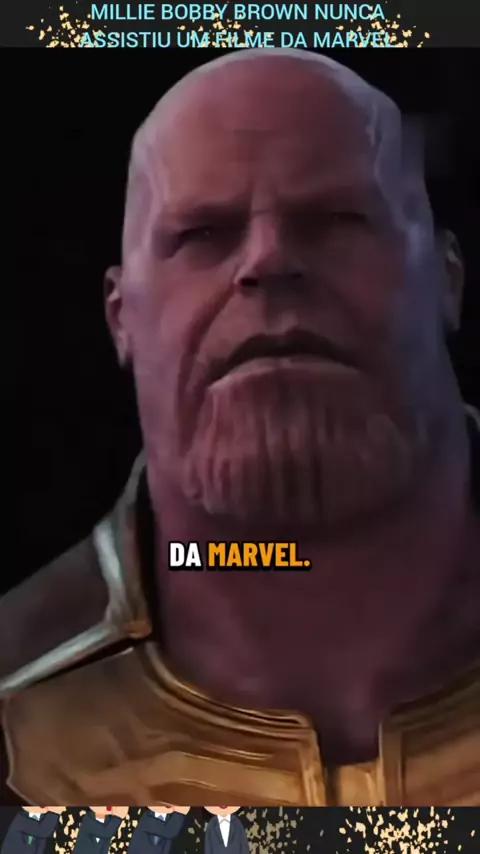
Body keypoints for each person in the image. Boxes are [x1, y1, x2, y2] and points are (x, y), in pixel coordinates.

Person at [1, 49, 479, 807]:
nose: (269, 260)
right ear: (120, 316)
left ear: (448, 277)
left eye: (336, 219)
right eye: (202, 233)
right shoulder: (15, 721)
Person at [0, 807, 64, 854]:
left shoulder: (19, 821)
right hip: (47, 817)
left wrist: (55, 812)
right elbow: (47, 834)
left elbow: (42, 830)